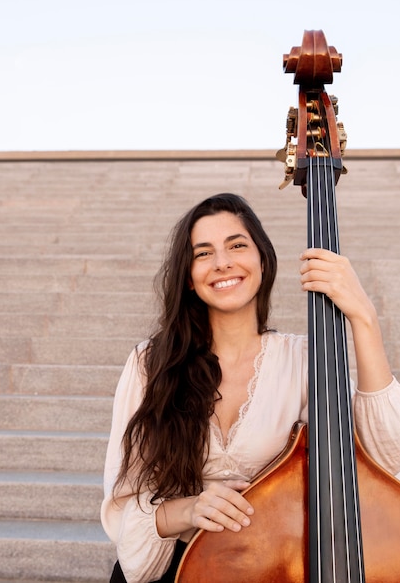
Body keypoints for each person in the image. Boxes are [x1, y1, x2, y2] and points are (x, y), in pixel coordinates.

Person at [101, 193, 400, 583]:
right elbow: (125, 504)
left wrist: (363, 315)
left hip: (281, 568)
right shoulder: (149, 363)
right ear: (189, 278)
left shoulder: (306, 359)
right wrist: (189, 510)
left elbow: (387, 460)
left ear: (263, 260)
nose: (223, 262)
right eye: (203, 253)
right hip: (184, 567)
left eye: (237, 245)